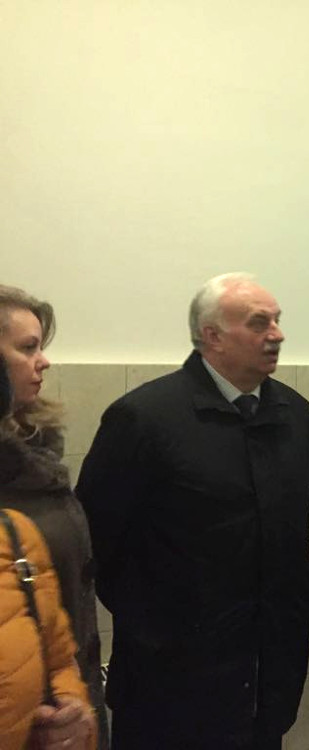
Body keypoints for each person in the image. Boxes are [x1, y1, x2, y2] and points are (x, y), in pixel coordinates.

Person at [76, 273, 309, 750]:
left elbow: (288, 534)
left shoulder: (294, 414)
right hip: (168, 686)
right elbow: (94, 542)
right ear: (213, 336)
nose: (277, 334)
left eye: (277, 320)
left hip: (267, 678)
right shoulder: (144, 418)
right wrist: (160, 626)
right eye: (259, 323)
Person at [0, 285, 108, 748]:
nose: (43, 361)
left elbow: (59, 613)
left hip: (62, 703)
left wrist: (71, 699)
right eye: (27, 348)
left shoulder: (38, 454)